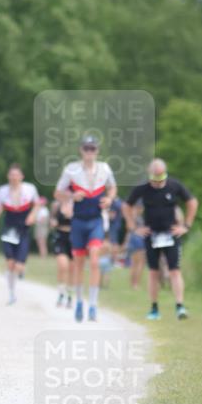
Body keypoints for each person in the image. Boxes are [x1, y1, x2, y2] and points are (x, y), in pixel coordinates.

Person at [122, 158, 198, 320]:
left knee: (174, 270)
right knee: (153, 272)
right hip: (151, 234)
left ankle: (180, 306)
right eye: (154, 180)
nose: (157, 184)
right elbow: (126, 206)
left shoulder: (174, 185)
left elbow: (192, 202)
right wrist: (133, 227)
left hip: (171, 233)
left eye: (160, 180)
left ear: (165, 175)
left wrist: (186, 225)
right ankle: (154, 308)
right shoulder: (142, 188)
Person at [55, 135, 117, 323]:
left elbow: (113, 188)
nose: (89, 152)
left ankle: (93, 305)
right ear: (81, 150)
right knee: (79, 263)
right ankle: (80, 302)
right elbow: (57, 193)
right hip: (78, 222)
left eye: (93, 149)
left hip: (96, 221)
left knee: (95, 259)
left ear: (97, 151)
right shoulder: (71, 170)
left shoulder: (105, 168)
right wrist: (72, 196)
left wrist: (110, 199)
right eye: (86, 148)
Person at [0, 164, 40, 304]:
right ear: (8, 177)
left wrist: (33, 215)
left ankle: (21, 270)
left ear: (21, 177)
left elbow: (37, 204)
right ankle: (12, 293)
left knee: (18, 266)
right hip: (9, 229)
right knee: (10, 263)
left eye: (16, 175)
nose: (13, 177)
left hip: (23, 229)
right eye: (11, 175)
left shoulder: (30, 189)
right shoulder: (2, 191)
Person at [50, 197, 74, 307]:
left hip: (74, 237)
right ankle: (60, 293)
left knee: (72, 269)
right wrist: (53, 222)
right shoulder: (57, 204)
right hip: (60, 237)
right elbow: (52, 219)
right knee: (62, 266)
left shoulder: (78, 204)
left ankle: (69, 295)